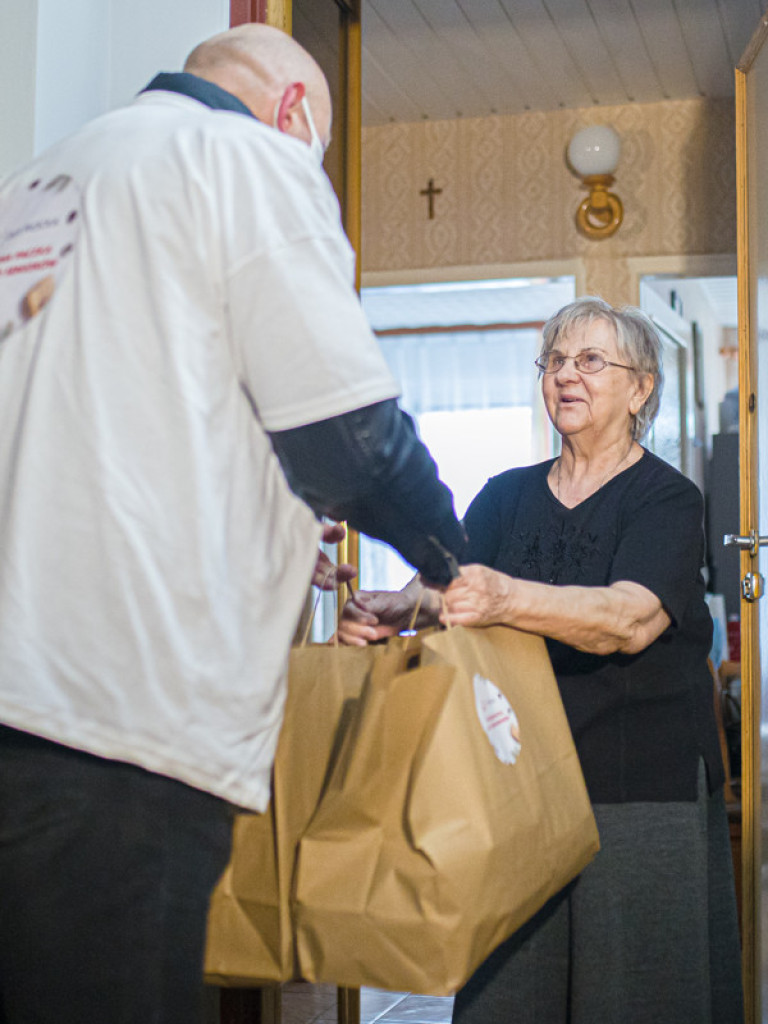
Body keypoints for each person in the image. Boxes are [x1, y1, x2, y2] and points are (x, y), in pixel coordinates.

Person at [0, 24, 465, 1024]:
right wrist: (454, 559)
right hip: (118, 707)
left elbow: (125, 429)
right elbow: (348, 436)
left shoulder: (42, 183)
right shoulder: (246, 157)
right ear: (295, 113)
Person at [339, 297, 744, 1024]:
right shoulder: (504, 495)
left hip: (635, 777)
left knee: (633, 995)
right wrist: (394, 609)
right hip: (518, 776)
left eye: (590, 360)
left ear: (640, 387)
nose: (566, 375)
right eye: (554, 361)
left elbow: (627, 619)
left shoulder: (668, 499)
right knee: (506, 991)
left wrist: (502, 599)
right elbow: (446, 584)